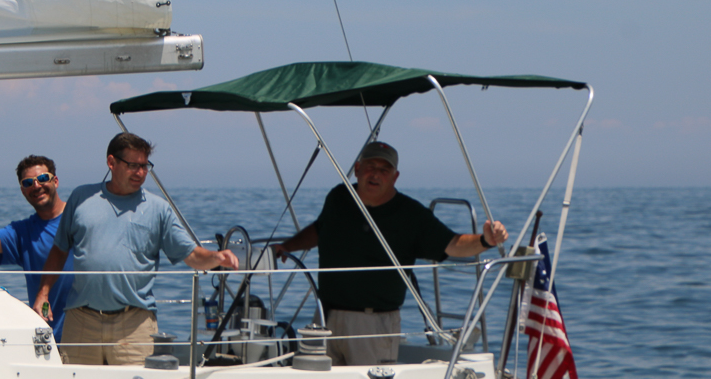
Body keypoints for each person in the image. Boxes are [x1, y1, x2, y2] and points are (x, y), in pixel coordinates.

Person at [274, 141, 508, 366]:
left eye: (384, 170)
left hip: (373, 325)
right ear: (357, 169)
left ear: (395, 177)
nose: (376, 175)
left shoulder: (411, 214)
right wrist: (287, 247)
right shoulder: (339, 198)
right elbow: (319, 230)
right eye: (371, 167)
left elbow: (453, 245)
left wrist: (485, 240)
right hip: (325, 316)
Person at [33, 133, 238, 365]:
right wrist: (43, 293)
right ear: (111, 163)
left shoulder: (158, 208)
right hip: (82, 321)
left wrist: (216, 257)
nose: (141, 173)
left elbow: (191, 254)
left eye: (144, 166)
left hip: (134, 325)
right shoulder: (81, 197)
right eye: (133, 165)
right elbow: (59, 250)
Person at [0, 155, 74, 340]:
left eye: (43, 178)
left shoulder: (80, 218)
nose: (36, 186)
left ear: (56, 181)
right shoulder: (22, 231)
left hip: (88, 330)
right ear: (23, 190)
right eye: (28, 182)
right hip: (47, 334)